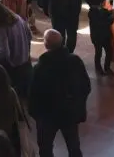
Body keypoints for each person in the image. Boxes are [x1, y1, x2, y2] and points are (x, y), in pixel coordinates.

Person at [29, 29, 91, 157]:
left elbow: (33, 95)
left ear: (46, 45)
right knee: (74, 146)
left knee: (45, 149)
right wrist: (77, 104)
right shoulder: (75, 61)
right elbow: (85, 86)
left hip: (47, 116)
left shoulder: (40, 68)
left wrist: (36, 115)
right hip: (69, 112)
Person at [0, 2, 32, 97]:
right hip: (25, 61)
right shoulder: (18, 18)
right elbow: (29, 36)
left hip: (13, 67)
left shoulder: (2, 29)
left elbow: (4, 53)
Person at [87, 0, 114, 76]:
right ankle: (99, 68)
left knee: (109, 51)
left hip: (103, 36)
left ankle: (107, 67)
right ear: (100, 3)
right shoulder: (93, 13)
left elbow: (106, 13)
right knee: (99, 53)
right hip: (98, 37)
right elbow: (104, 22)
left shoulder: (99, 9)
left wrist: (111, 13)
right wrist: (112, 17)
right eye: (104, 1)